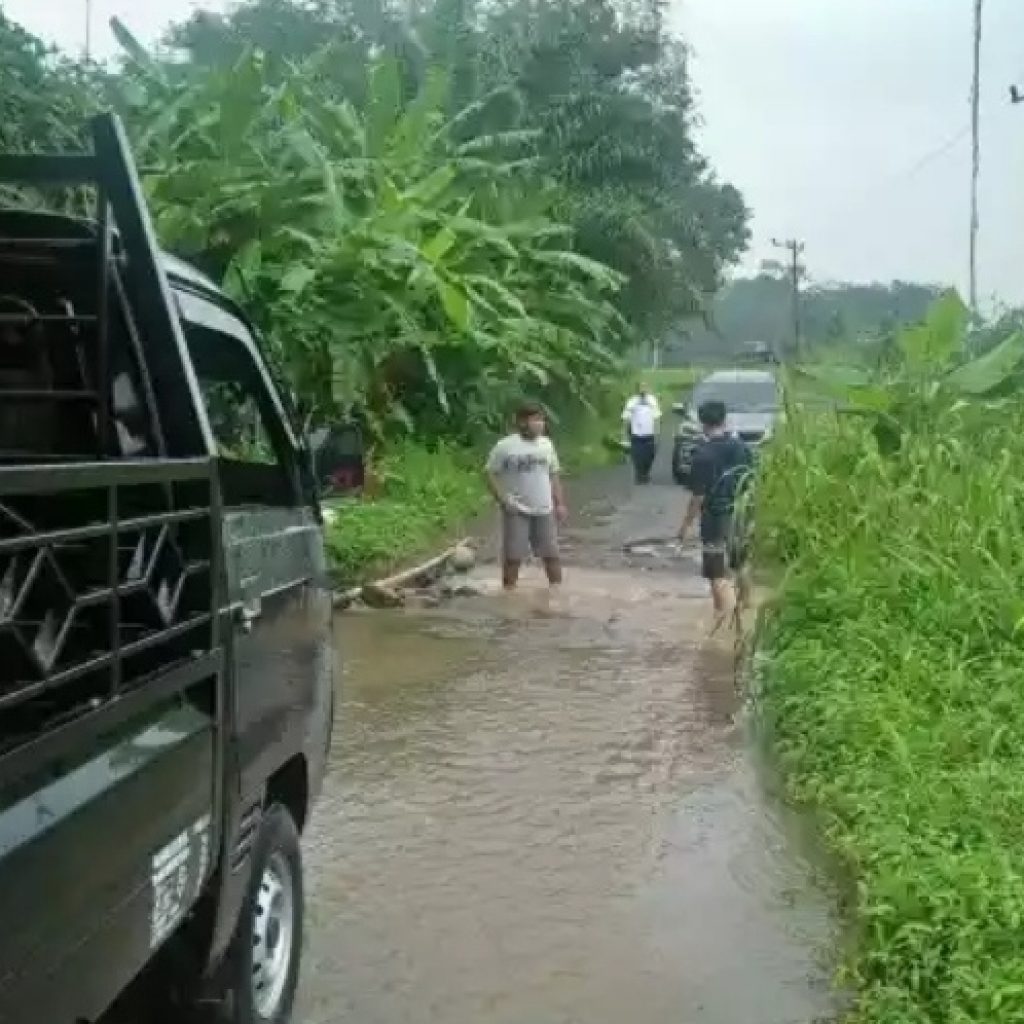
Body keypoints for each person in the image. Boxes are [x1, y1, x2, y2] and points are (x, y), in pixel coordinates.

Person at [677, 399, 754, 631]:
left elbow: (698, 496)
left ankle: (726, 624)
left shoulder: (702, 455)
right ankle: (747, 612)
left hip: (716, 518)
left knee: (717, 572)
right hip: (742, 514)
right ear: (724, 419)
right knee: (741, 565)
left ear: (702, 423)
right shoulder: (742, 448)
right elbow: (750, 481)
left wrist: (685, 525)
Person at [485, 402, 568, 590]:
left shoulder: (547, 444)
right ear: (522, 421)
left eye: (542, 420)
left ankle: (557, 593)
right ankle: (509, 594)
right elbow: (490, 473)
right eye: (535, 419)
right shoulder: (505, 446)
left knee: (551, 555)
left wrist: (560, 504)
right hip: (516, 509)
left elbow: (554, 475)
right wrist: (502, 499)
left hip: (544, 508)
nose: (540, 424)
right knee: (513, 557)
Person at [621, 383, 661, 484]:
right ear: (637, 389)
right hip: (637, 435)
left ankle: (645, 473)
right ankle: (639, 475)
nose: (643, 389)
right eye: (641, 387)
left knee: (649, 456)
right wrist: (624, 435)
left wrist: (657, 432)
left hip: (650, 434)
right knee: (638, 457)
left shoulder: (652, 400)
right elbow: (626, 418)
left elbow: (657, 417)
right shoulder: (632, 401)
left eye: (645, 387)